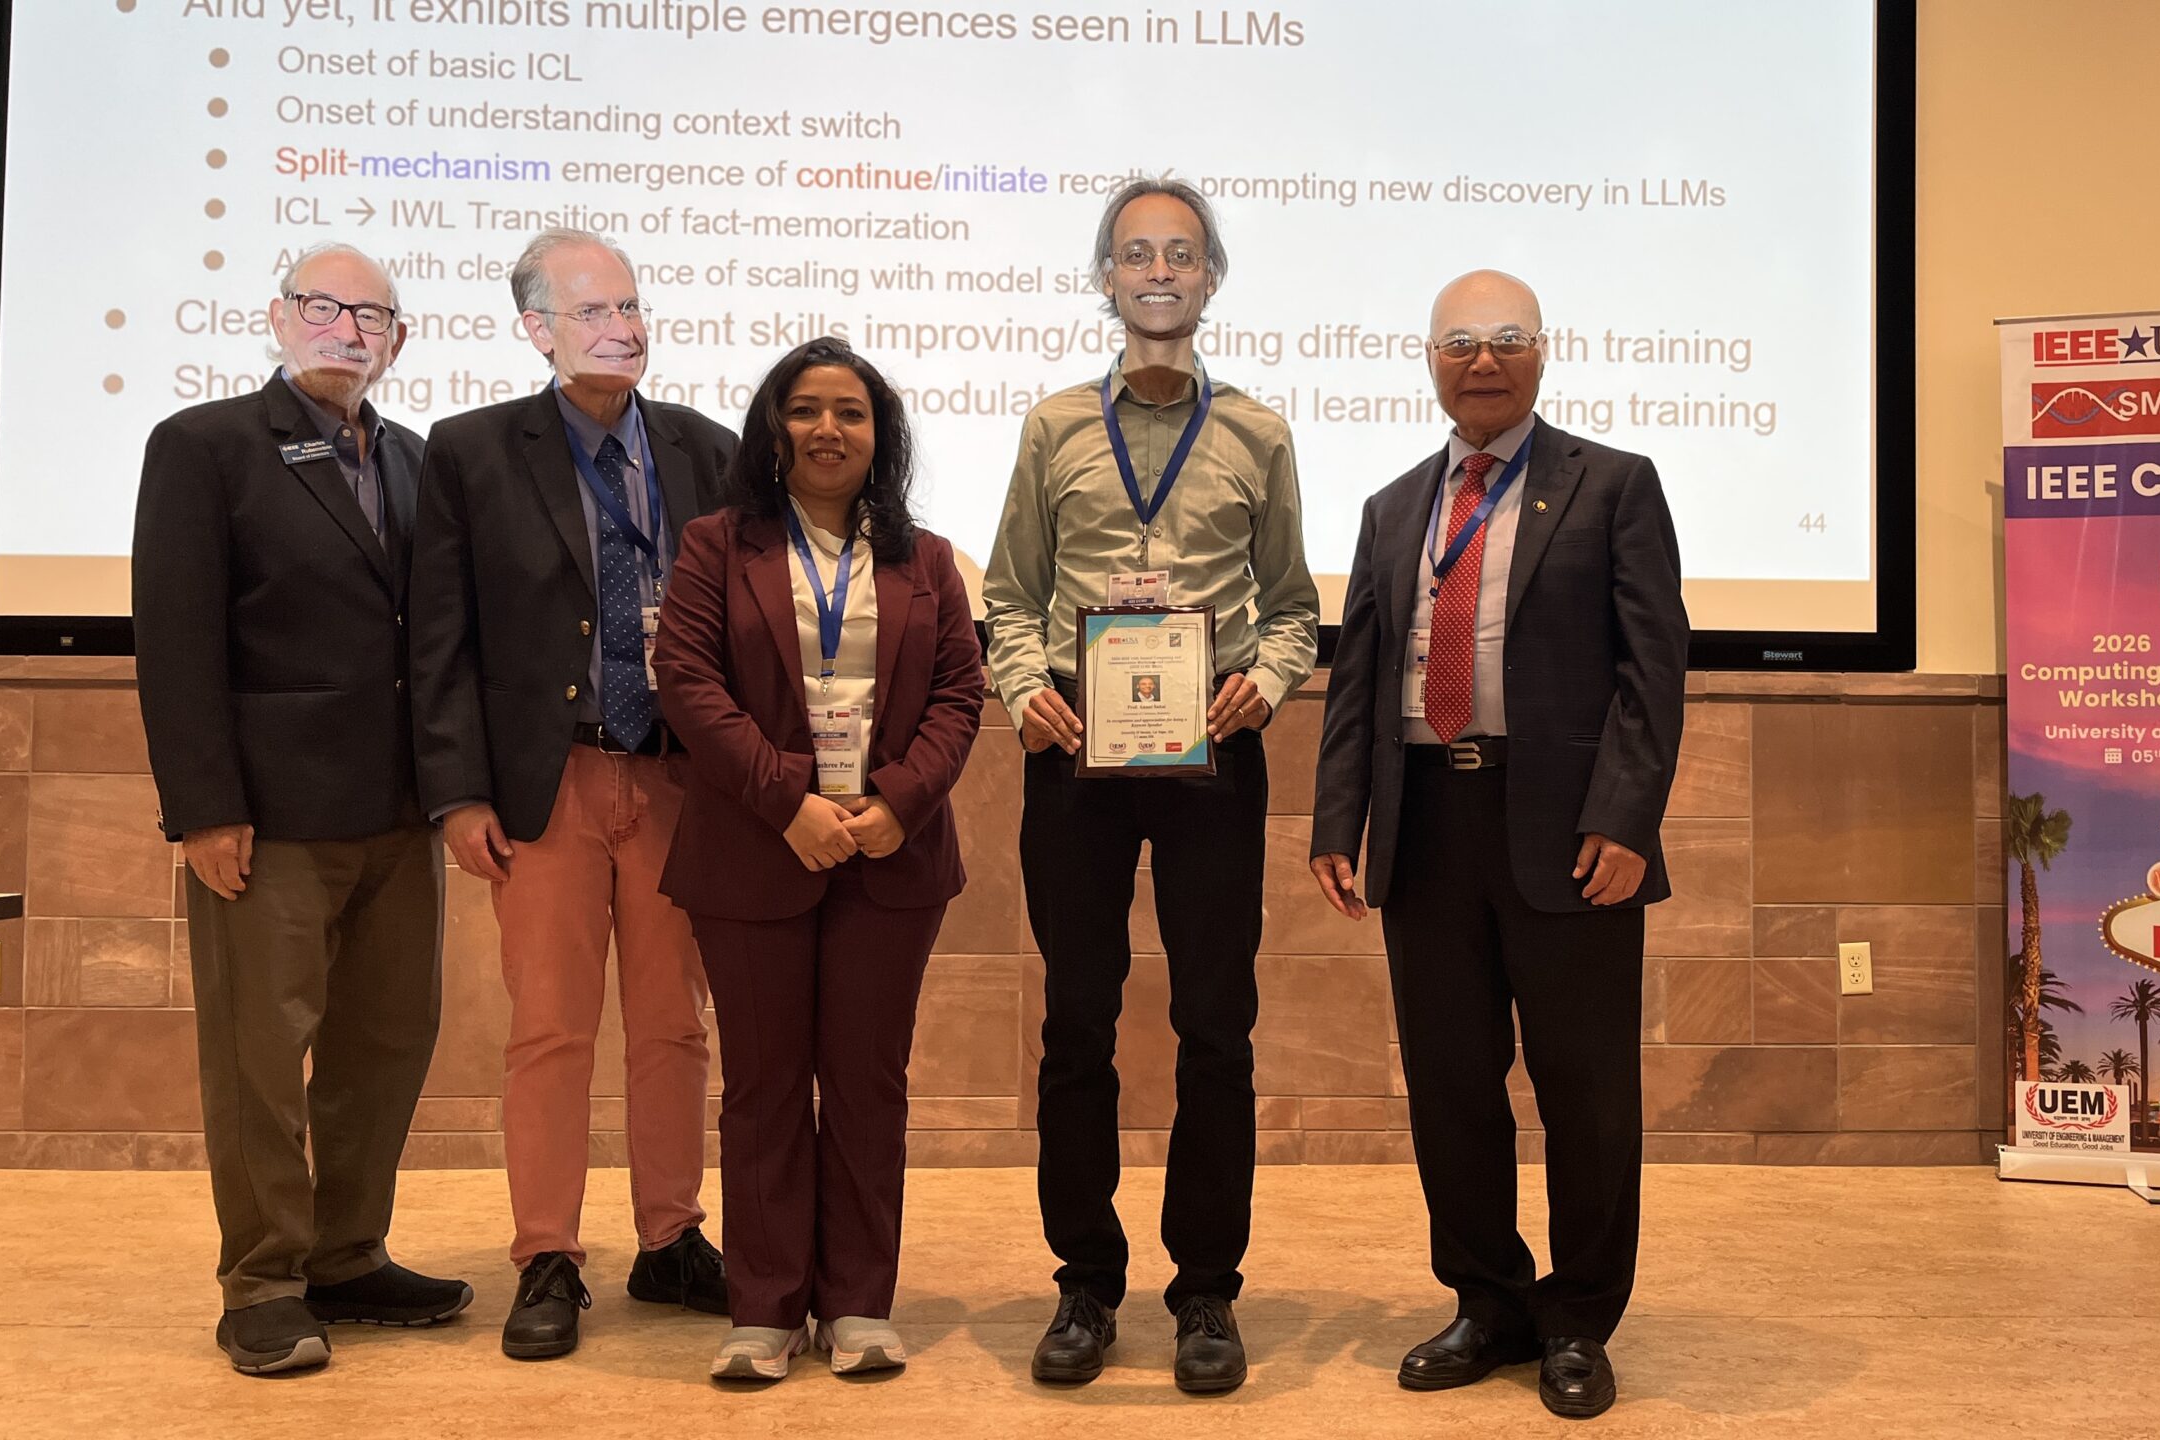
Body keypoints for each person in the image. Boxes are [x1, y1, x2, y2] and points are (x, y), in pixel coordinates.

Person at [1308, 270, 1689, 1420]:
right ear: (1431, 361)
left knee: (1587, 1091)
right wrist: (1338, 821)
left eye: (1506, 338)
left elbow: (1650, 670)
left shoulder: (1613, 484)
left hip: (1568, 831)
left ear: (1540, 354)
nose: (1483, 358)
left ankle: (1577, 1321)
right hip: (1426, 824)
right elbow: (1360, 679)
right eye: (1460, 341)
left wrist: (1624, 819)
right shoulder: (1392, 507)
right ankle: (1486, 1301)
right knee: (1450, 1087)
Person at [983, 178, 1317, 1395]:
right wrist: (1025, 690)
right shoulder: (1055, 426)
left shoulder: (1260, 434)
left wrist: (1264, 686)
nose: (1159, 271)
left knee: (1214, 1025)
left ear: (1211, 277)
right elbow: (1009, 597)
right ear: (1107, 279)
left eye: (1181, 253)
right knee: (1077, 1022)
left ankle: (1206, 1287)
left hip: (1212, 750)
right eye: (1137, 254)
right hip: (1076, 749)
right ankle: (1084, 1279)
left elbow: (1293, 611)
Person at [134, 243, 471, 1375]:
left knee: (388, 1043)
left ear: (397, 341)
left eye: (370, 315)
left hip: (399, 813)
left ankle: (346, 1253)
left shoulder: (419, 461)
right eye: (321, 306)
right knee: (261, 1060)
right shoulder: (204, 446)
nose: (345, 328)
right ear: (279, 319)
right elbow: (175, 639)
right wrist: (204, 807)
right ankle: (264, 1282)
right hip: (266, 820)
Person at [409, 228, 738, 1359]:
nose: (621, 328)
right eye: (593, 311)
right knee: (550, 1028)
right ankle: (546, 1253)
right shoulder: (471, 451)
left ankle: (671, 1237)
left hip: (676, 780)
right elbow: (441, 638)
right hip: (546, 783)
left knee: (673, 1025)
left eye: (631, 306)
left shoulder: (706, 449)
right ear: (536, 330)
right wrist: (457, 794)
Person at [652, 338, 985, 1382]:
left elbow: (960, 694)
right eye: (806, 409)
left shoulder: (927, 558)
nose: (828, 430)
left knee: (865, 1085)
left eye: (851, 412)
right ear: (773, 427)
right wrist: (786, 801)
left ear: (880, 435)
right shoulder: (716, 545)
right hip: (754, 848)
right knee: (761, 1084)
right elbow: (687, 681)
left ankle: (857, 1304)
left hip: (890, 857)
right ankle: (762, 1307)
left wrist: (899, 802)